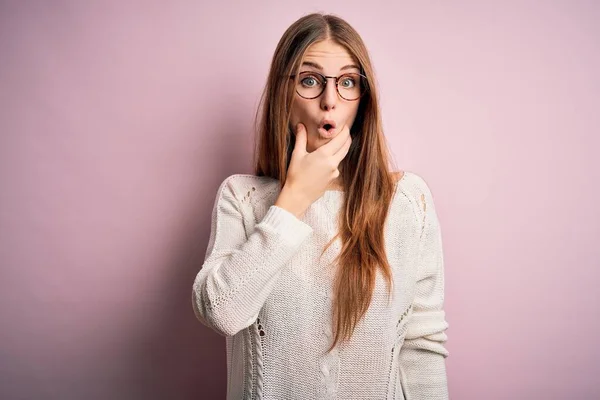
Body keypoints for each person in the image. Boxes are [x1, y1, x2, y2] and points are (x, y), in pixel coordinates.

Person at [192, 12, 450, 400]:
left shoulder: (407, 202)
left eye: (347, 82)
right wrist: (294, 199)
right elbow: (222, 312)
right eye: (310, 80)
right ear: (285, 93)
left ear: (363, 100)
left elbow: (423, 344)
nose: (329, 101)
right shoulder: (243, 198)